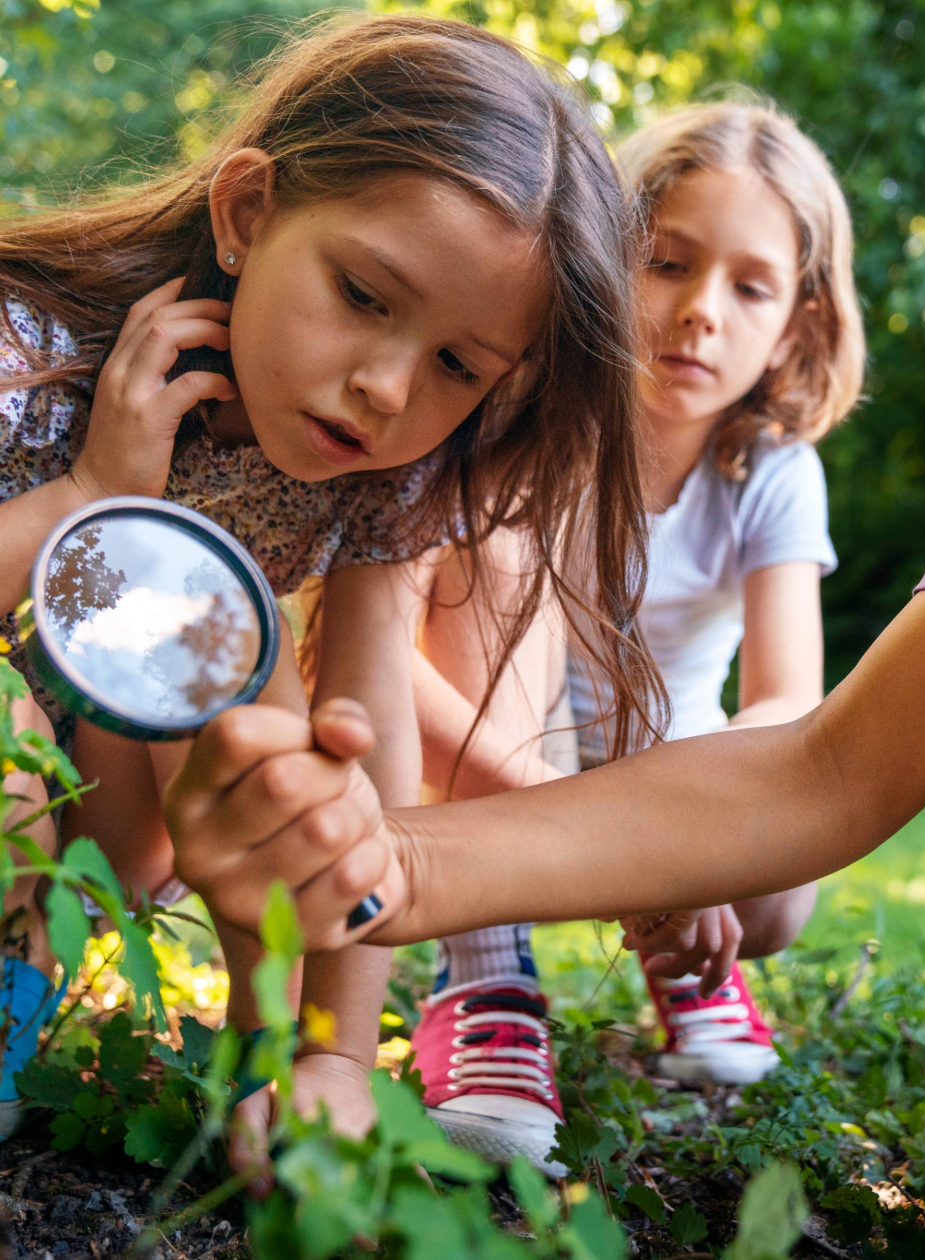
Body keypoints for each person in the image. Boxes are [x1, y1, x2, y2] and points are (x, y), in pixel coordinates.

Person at [168, 0, 925, 1207]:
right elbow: (832, 769)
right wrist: (378, 860)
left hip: (628, 768)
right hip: (553, 771)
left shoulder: (775, 475)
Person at [0, 11, 662, 1181]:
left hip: (83, 855)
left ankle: (250, 1070)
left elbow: (360, 758)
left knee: (246, 693)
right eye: (364, 295)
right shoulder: (34, 346)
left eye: (458, 366)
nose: (385, 388)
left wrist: (335, 1060)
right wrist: (92, 496)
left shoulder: (379, 482)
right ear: (249, 213)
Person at [401, 100, 863, 1173]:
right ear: (606, 260)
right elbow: (399, 677)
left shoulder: (773, 471)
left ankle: (686, 961)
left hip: (667, 766)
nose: (702, 311)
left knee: (781, 891)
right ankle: (484, 973)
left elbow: (790, 699)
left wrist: (693, 853)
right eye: (667, 262)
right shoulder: (523, 419)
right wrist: (632, 870)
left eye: (750, 288)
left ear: (795, 325)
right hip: (494, 754)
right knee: (497, 574)